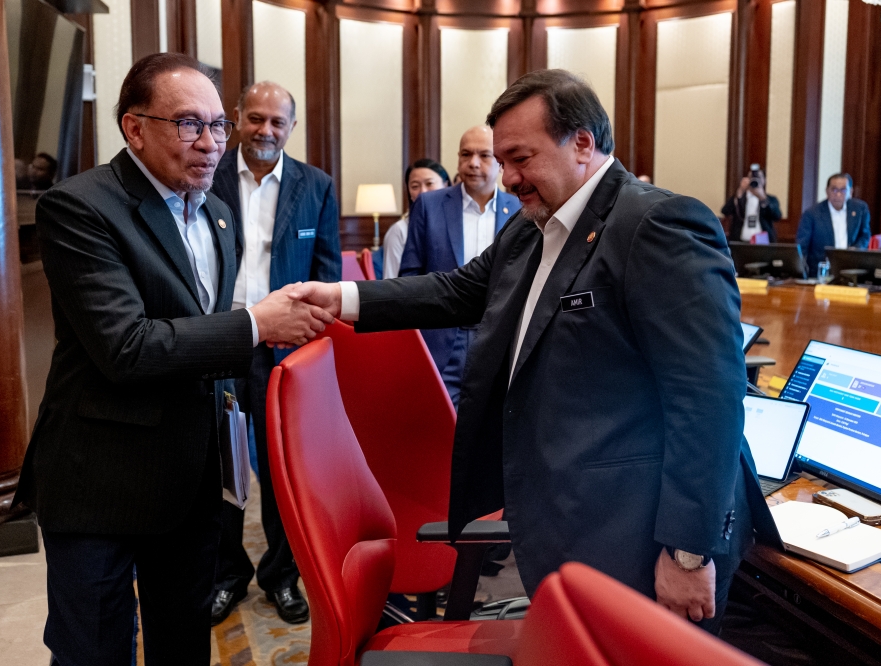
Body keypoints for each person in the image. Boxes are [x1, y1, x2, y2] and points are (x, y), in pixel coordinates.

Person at [289, 69, 777, 632]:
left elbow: (709, 398)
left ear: (583, 143)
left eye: (521, 158)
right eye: (502, 161)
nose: (508, 178)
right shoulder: (531, 226)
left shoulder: (657, 223)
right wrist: (340, 298)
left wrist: (689, 552)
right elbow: (456, 291)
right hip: (565, 517)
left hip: (640, 530)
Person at [12, 53, 333, 666]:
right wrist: (254, 325)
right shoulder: (79, 207)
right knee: (97, 650)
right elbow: (126, 347)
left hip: (191, 478)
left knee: (183, 641)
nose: (212, 144)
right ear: (135, 128)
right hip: (102, 480)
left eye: (218, 126)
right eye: (189, 124)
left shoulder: (215, 212)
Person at [208, 80, 341, 626]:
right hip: (219, 341)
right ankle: (225, 576)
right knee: (223, 469)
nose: (265, 130)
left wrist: (311, 338)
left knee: (285, 472)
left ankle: (282, 577)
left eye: (277, 122)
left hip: (285, 348)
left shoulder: (317, 186)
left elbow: (328, 271)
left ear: (292, 127)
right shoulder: (207, 173)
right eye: (255, 118)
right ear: (237, 117)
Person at [399, 126, 521, 405]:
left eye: (484, 155)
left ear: (500, 160)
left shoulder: (518, 209)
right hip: (441, 341)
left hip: (497, 340)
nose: (473, 163)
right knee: (438, 426)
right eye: (466, 154)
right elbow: (410, 274)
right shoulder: (429, 205)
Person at [381, 159, 451, 279]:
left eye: (429, 184)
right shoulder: (399, 230)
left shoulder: (456, 224)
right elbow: (390, 280)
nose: (423, 192)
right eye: (415, 186)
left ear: (446, 185)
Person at [796, 173, 871, 269]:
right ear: (827, 191)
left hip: (851, 267)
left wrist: (856, 249)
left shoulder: (860, 209)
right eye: (834, 190)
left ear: (850, 192)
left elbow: (865, 235)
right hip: (821, 269)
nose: (838, 194)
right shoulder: (812, 213)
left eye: (843, 190)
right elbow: (802, 245)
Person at [722, 167, 781, 242]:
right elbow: (725, 211)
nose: (755, 179)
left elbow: (777, 216)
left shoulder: (771, 199)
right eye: (751, 177)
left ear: (764, 180)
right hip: (740, 242)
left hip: (763, 243)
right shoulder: (740, 197)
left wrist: (763, 198)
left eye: (758, 177)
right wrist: (739, 192)